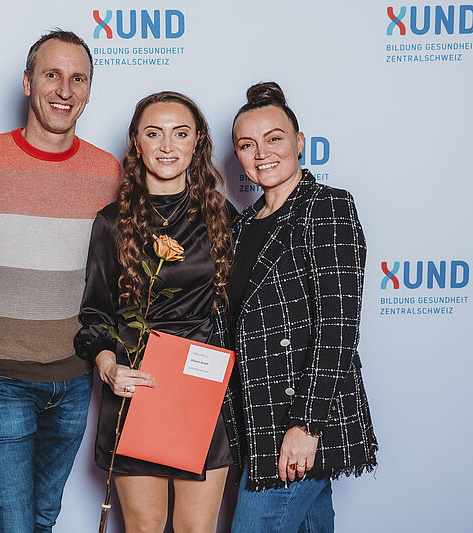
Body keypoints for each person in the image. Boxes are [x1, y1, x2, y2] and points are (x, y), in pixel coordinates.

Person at [0, 30, 120, 532]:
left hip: (75, 375)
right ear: (27, 82)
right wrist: (2, 270)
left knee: (43, 517)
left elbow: (109, 266)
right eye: (52, 75)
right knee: (12, 524)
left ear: (89, 90)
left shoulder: (107, 171)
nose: (64, 90)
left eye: (78, 79)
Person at [74, 91, 240, 532]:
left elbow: (240, 309)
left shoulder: (221, 216)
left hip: (202, 394)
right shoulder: (112, 222)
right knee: (144, 527)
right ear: (137, 141)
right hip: (135, 389)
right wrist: (109, 368)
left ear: (197, 141)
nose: (167, 146)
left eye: (180, 133)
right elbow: (96, 315)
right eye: (154, 133)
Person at [221, 81, 378, 532]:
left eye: (274, 138)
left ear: (300, 142)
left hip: (299, 420)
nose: (261, 153)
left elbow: (338, 328)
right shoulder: (241, 225)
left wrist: (306, 425)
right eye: (246, 144)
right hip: (258, 416)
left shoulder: (326, 207)